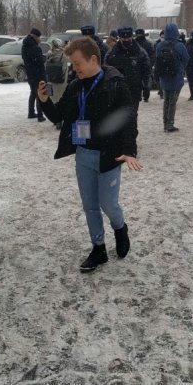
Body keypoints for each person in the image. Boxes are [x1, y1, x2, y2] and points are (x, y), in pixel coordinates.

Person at [36, 37, 142, 273]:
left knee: (108, 203)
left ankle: (120, 228)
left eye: (77, 64)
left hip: (109, 157)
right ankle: (98, 248)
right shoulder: (76, 86)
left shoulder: (115, 84)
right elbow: (58, 115)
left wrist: (128, 150)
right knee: (90, 206)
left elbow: (128, 119)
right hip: (83, 155)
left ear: (93, 59)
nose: (74, 69)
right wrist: (44, 101)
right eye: (72, 65)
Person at [104, 27, 151, 141]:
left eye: (128, 38)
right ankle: (119, 140)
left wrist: (146, 86)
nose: (126, 40)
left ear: (132, 37)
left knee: (131, 116)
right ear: (119, 38)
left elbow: (146, 69)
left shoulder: (139, 52)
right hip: (116, 89)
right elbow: (105, 69)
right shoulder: (112, 53)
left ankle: (130, 140)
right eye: (123, 38)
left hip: (133, 89)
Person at [155, 23, 189, 132]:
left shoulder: (160, 45)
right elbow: (186, 59)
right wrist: (180, 68)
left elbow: (157, 59)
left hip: (164, 78)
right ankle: (170, 124)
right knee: (172, 102)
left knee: (166, 101)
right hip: (176, 77)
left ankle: (165, 122)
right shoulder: (180, 46)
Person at [21, 27, 46, 122]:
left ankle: (31, 112)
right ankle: (40, 115)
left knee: (33, 92)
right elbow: (39, 61)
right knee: (39, 93)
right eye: (39, 37)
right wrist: (43, 58)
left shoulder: (25, 46)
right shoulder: (35, 47)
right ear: (36, 37)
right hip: (38, 74)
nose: (40, 39)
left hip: (30, 73)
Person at [45, 38, 69, 123]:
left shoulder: (49, 53)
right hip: (61, 79)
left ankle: (55, 117)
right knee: (61, 98)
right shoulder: (63, 54)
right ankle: (60, 119)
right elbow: (68, 60)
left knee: (53, 98)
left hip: (51, 79)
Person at [135, 29, 156, 102]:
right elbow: (153, 55)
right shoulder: (148, 43)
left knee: (139, 82)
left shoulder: (134, 43)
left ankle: (141, 96)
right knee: (146, 82)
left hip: (138, 66)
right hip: (144, 65)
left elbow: (153, 55)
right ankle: (145, 96)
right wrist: (150, 64)